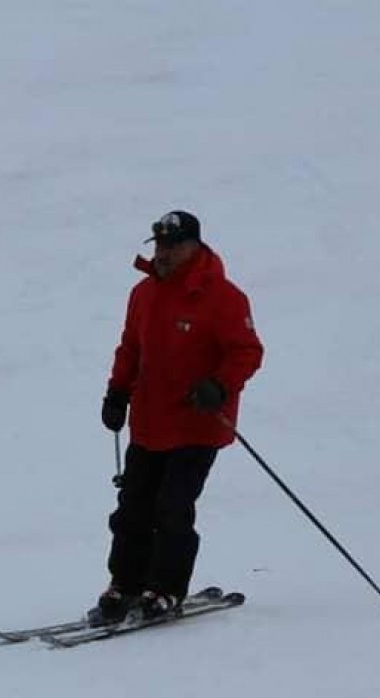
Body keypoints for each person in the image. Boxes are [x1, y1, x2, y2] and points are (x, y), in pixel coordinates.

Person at [93, 210, 265, 625]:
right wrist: (117, 392)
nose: (165, 253)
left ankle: (166, 589)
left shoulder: (224, 297)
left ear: (194, 247)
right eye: (160, 245)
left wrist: (220, 386)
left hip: (197, 425)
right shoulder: (144, 293)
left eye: (174, 245)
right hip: (149, 422)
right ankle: (127, 584)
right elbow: (131, 349)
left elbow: (247, 352)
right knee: (132, 507)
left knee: (173, 507)